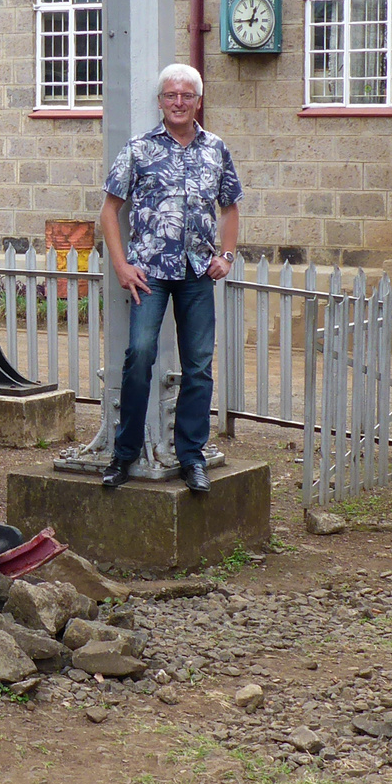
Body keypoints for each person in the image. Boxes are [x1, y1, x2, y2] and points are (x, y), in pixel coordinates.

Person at [98, 63, 241, 493]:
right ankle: (124, 455)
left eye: (186, 96)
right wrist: (122, 266)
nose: (178, 103)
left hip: (198, 273)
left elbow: (230, 206)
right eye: (170, 95)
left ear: (198, 100)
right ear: (160, 101)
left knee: (199, 366)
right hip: (149, 275)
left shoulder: (215, 149)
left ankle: (191, 457)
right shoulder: (139, 149)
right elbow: (109, 211)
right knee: (139, 357)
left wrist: (227, 255)